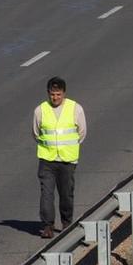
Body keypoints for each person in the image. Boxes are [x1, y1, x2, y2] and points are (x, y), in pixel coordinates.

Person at [32, 76, 86, 239]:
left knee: (66, 194)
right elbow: (36, 133)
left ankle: (66, 222)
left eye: (58, 94)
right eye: (52, 94)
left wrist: (69, 148)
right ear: (48, 93)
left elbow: (81, 132)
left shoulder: (75, 109)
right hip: (47, 159)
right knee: (46, 194)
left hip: (67, 160)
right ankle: (48, 225)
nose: (55, 98)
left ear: (64, 93)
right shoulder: (40, 110)